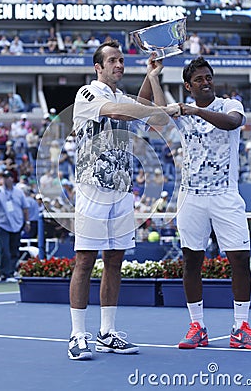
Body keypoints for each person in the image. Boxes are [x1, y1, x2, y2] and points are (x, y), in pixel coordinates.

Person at [68, 39, 180, 360]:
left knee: (115, 260)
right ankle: (77, 335)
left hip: (121, 190)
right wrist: (159, 109)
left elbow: (154, 118)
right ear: (98, 67)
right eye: (113, 60)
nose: (119, 64)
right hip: (92, 189)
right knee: (85, 261)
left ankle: (107, 332)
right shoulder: (88, 94)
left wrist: (153, 77)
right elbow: (122, 112)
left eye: (121, 60)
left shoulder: (121, 95)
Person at [172, 56, 251, 350]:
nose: (205, 82)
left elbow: (233, 124)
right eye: (198, 79)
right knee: (192, 260)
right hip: (191, 196)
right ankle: (197, 325)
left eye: (208, 77)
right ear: (188, 86)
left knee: (239, 259)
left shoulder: (230, 105)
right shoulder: (181, 111)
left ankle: (241, 327)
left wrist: (193, 111)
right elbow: (155, 108)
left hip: (225, 194)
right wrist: (153, 74)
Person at [0, 170, 30, 281]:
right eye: (3, 177)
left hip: (17, 224)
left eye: (7, 177)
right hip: (2, 224)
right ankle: (4, 273)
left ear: (12, 179)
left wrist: (27, 222)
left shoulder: (19, 192)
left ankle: (11, 271)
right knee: (4, 249)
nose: (5, 180)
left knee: (14, 250)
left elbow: (25, 208)